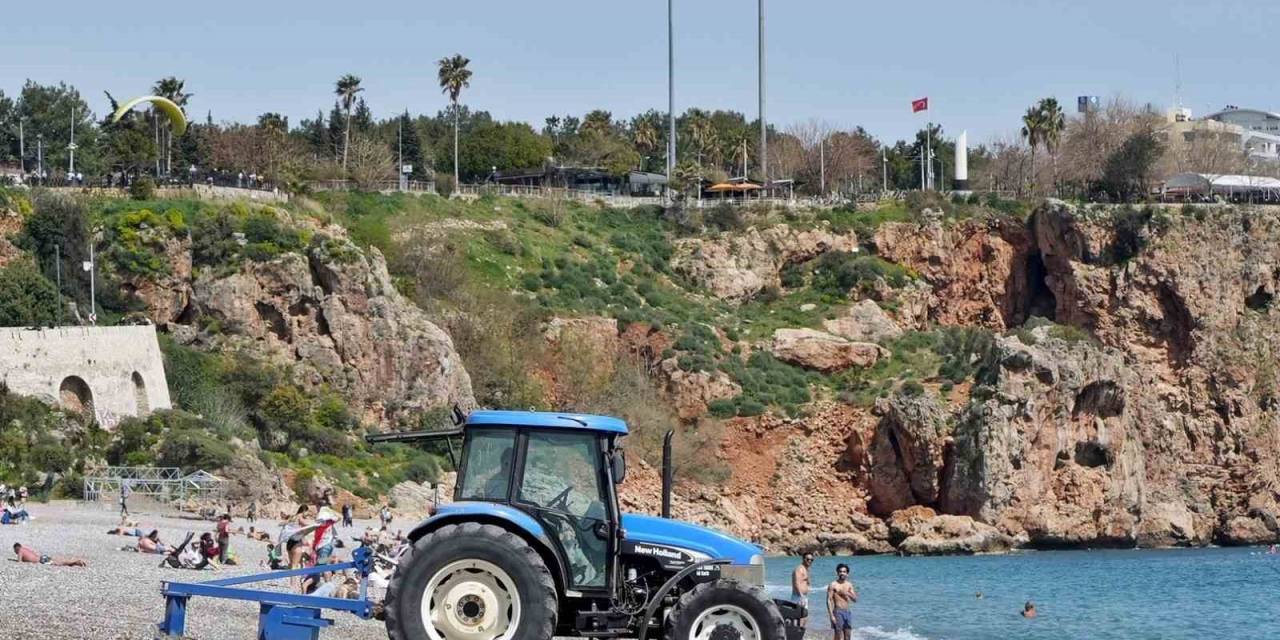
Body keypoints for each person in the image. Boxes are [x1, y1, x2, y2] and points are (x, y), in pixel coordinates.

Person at [826, 563, 858, 640]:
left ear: (847, 573)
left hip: (847, 612)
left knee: (848, 635)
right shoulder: (833, 584)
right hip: (838, 612)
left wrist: (847, 593)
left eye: (844, 571)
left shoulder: (849, 585)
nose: (842, 573)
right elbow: (828, 600)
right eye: (840, 571)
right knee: (838, 635)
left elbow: (855, 599)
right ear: (837, 572)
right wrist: (831, 616)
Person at [13, 543, 87, 567]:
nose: (15, 552)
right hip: (42, 557)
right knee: (59, 561)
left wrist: (14, 560)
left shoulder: (20, 551)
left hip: (41, 560)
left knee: (60, 563)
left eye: (15, 550)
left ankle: (75, 562)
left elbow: (19, 562)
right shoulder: (25, 548)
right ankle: (74, 562)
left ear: (16, 548)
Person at [791, 552, 815, 626]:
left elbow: (806, 582)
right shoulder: (799, 569)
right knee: (799, 618)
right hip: (798, 597)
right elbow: (796, 583)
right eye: (808, 559)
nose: (810, 561)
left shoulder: (806, 569)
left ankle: (799, 633)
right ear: (803, 559)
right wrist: (801, 596)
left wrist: (807, 587)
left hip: (803, 596)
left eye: (811, 560)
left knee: (804, 617)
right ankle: (796, 634)